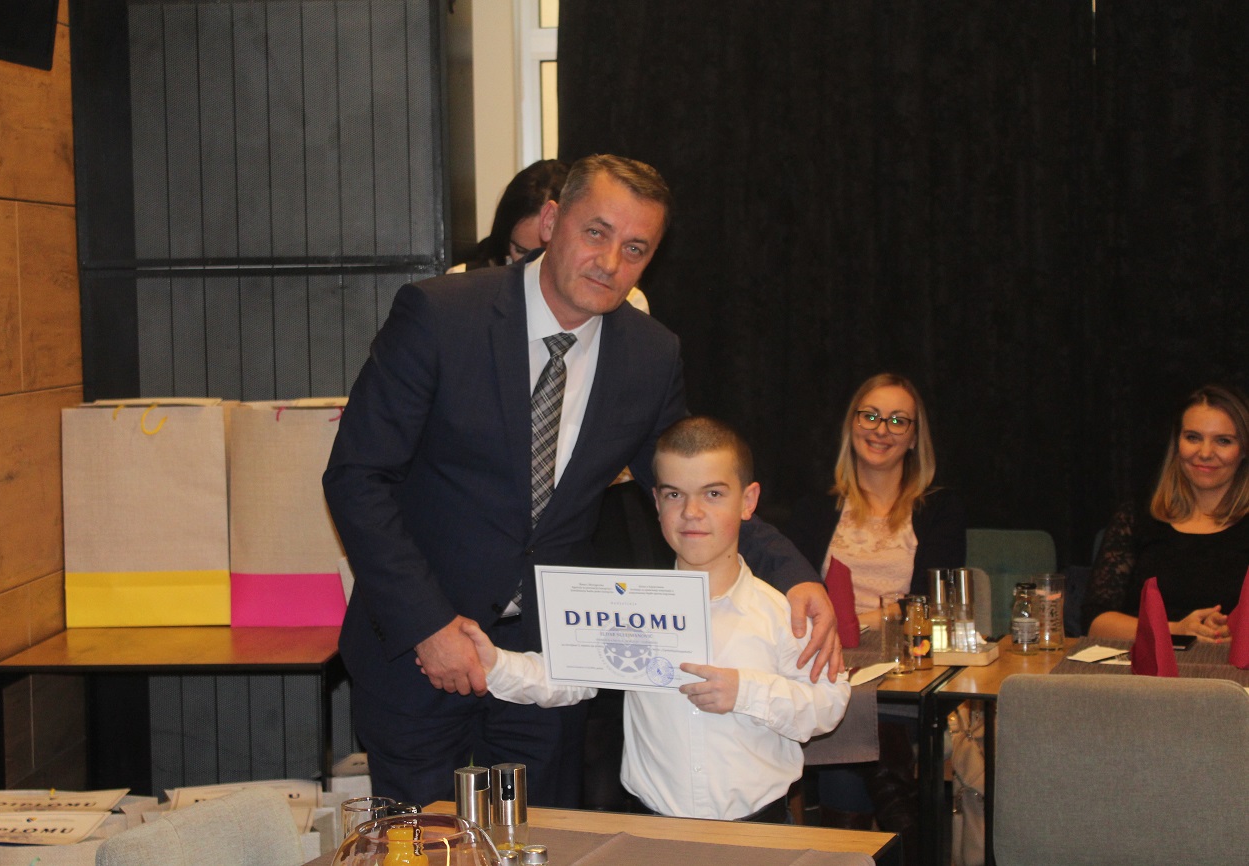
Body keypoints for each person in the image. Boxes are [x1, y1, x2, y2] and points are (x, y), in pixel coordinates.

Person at [323, 154, 841, 809]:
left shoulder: (649, 355)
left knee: (542, 841)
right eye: (596, 232)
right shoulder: (440, 314)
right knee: (424, 845)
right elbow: (357, 478)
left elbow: (691, 488)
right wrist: (427, 624)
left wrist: (794, 575)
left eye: (635, 248)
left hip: (550, 661)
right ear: (550, 221)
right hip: (417, 648)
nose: (610, 262)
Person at [458, 416, 851, 821]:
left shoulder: (784, 613)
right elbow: (564, 678)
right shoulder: (629, 608)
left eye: (713, 493)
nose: (692, 512)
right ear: (657, 503)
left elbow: (828, 705)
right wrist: (495, 664)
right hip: (653, 831)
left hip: (761, 832)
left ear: (748, 501)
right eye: (675, 495)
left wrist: (746, 693)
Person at [786, 373, 965, 861]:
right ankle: (909, 841)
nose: (881, 429)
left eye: (897, 420)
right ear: (852, 425)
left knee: (858, 723)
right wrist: (878, 612)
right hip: (830, 664)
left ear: (914, 437)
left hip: (909, 670)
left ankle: (852, 853)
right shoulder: (815, 508)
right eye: (870, 416)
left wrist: (859, 616)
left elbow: (934, 602)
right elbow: (789, 594)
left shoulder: (939, 508)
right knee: (851, 713)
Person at [1084, 384, 1249, 641]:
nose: (1205, 453)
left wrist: (1235, 631)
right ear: (1177, 443)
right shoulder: (1136, 516)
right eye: (1193, 437)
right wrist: (1175, 630)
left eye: (1223, 441)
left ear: (1244, 450)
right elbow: (1095, 621)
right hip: (1144, 664)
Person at [450, 159, 650, 313]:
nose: (535, 264)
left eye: (546, 252)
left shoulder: (628, 304)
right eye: (521, 251)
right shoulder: (460, 287)